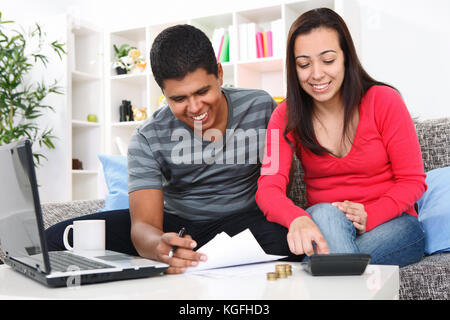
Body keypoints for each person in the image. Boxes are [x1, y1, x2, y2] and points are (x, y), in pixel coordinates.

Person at [46, 24, 300, 274]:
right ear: (164, 94)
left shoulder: (260, 106)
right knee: (54, 239)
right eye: (178, 99)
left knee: (293, 239)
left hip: (244, 222)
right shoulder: (148, 136)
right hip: (176, 226)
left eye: (202, 91)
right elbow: (144, 225)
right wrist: (158, 245)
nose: (195, 107)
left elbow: (278, 183)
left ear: (220, 74)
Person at [255, 8, 426, 267]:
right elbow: (268, 189)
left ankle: (323, 268)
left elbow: (412, 181)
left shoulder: (384, 101)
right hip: (327, 224)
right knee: (324, 212)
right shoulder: (284, 116)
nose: (316, 74)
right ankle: (335, 272)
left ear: (346, 57)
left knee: (322, 259)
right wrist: (296, 219)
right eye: (304, 64)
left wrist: (371, 214)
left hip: (392, 225)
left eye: (328, 60)